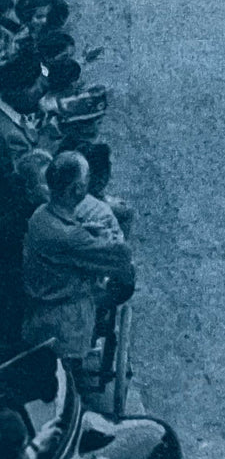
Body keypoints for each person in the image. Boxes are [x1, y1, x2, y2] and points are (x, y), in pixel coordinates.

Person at [22, 151, 135, 363]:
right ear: (78, 188)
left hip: (37, 312)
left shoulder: (40, 215)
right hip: (66, 327)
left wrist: (85, 232)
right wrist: (105, 237)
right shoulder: (72, 236)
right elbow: (121, 257)